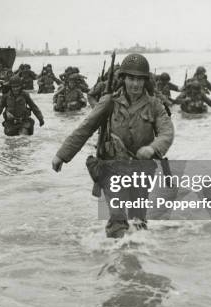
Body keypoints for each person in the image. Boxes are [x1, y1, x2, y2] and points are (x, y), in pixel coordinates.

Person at [51, 54, 174, 238]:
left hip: (142, 171)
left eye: (140, 79)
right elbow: (85, 128)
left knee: (138, 220)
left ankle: (137, 259)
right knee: (117, 219)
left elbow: (167, 132)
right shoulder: (109, 102)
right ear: (123, 78)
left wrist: (153, 148)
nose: (135, 84)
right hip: (113, 170)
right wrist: (62, 155)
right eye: (131, 78)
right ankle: (115, 256)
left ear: (145, 81)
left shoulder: (154, 105)